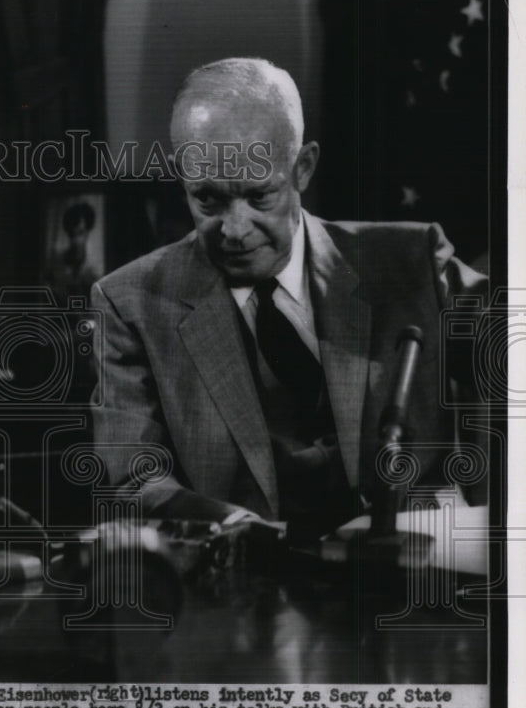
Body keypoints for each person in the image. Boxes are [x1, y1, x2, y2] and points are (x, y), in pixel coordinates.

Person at [90, 58, 487, 541]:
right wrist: (243, 532)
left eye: (260, 197)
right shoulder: (129, 301)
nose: (234, 231)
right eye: (207, 200)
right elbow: (134, 480)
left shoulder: (412, 262)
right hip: (251, 587)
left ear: (303, 167)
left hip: (417, 574)